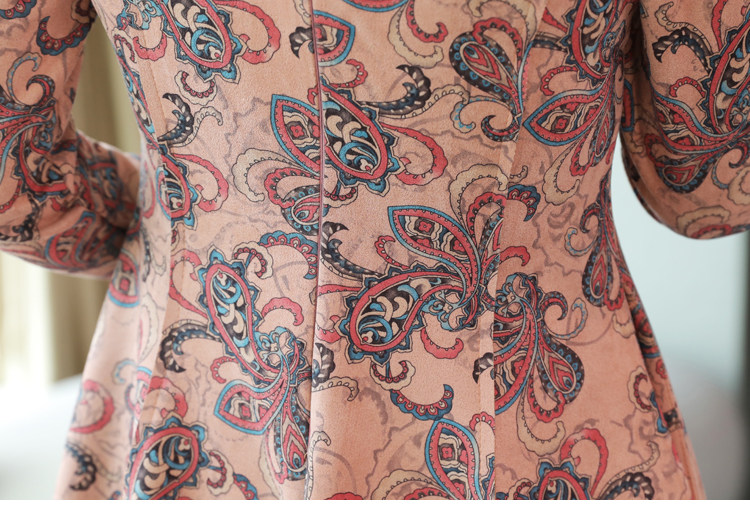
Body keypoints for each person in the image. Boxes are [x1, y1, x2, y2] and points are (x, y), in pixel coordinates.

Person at [1, 0, 747, 500]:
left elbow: (15, 184)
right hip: (545, 411)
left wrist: (196, 225)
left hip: (203, 403)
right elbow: (710, 187)